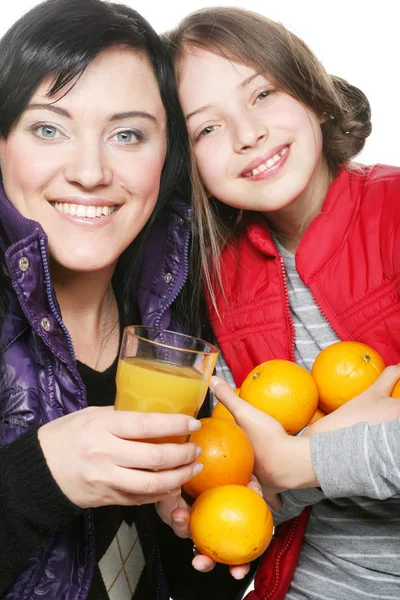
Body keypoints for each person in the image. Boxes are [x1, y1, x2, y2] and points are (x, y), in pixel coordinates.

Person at [0, 2, 258, 599]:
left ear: (167, 155)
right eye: (48, 128)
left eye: (127, 135)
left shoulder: (175, 315)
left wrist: (207, 533)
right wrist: (42, 477)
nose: (90, 171)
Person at [164, 7, 400, 600]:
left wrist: (304, 463)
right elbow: (267, 467)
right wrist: (242, 496)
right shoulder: (216, 282)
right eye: (207, 129)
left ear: (313, 93)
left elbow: (292, 461)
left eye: (263, 93)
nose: (247, 134)